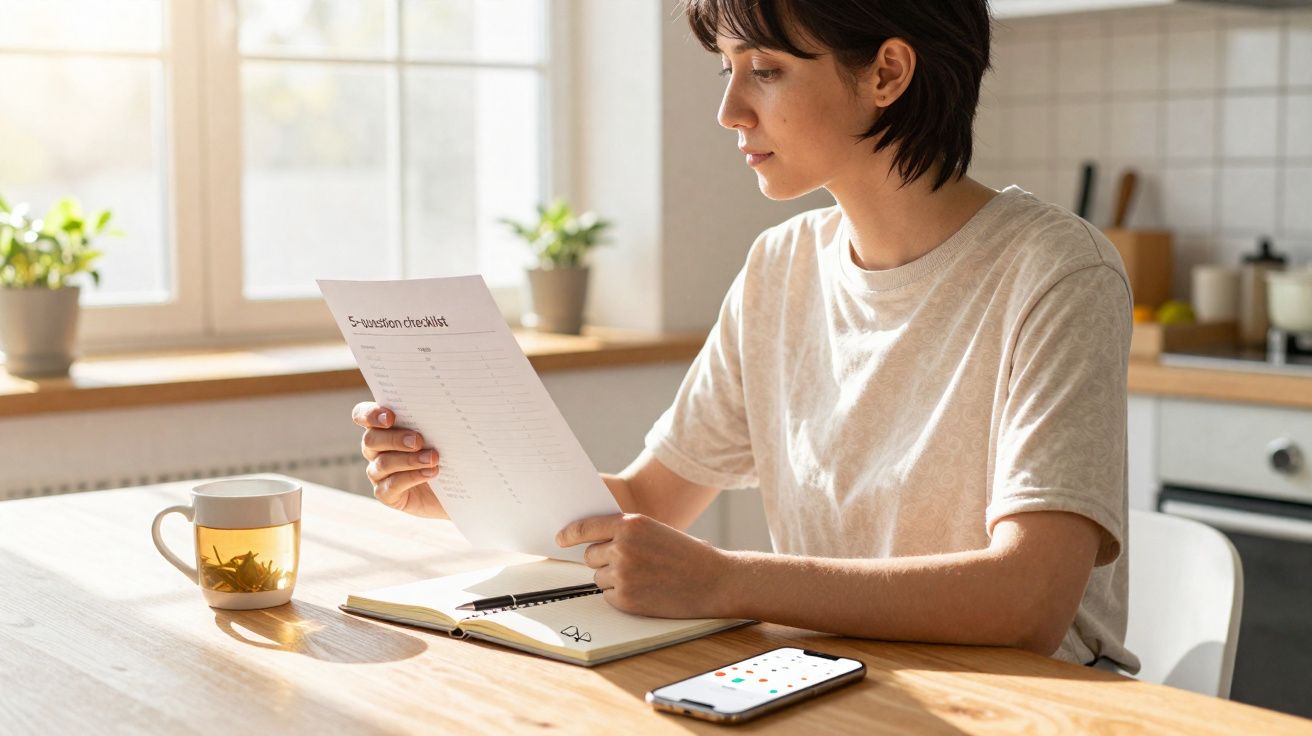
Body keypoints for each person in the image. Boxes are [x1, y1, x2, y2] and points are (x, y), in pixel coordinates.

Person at [353, 0, 1139, 671]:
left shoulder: (1055, 272)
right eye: (725, 69)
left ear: (888, 74)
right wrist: (458, 488)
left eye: (764, 69)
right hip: (837, 680)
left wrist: (729, 580)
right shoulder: (782, 265)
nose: (730, 109)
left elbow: (1028, 600)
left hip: (1030, 705)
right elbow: (646, 505)